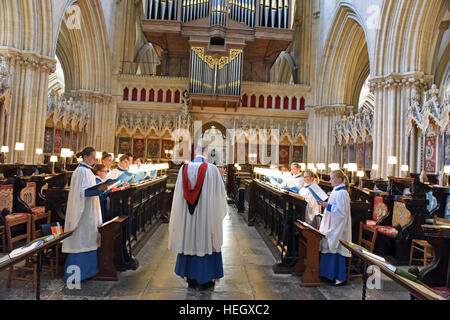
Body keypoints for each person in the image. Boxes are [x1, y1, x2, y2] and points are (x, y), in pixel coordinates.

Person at [168, 147, 227, 290]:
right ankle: (205, 279)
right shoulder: (212, 169)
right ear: (206, 154)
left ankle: (190, 278)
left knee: (188, 238)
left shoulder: (183, 169)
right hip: (206, 215)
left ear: (194, 153)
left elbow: (178, 196)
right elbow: (220, 193)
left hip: (188, 215)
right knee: (205, 240)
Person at [62, 147, 110, 282]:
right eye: (93, 156)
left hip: (89, 211)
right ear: (85, 157)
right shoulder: (80, 171)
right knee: (82, 241)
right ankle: (76, 276)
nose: (95, 159)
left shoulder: (87, 171)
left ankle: (89, 272)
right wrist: (98, 189)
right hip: (82, 214)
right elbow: (82, 193)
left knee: (89, 240)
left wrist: (101, 189)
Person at [318, 170, 352, 286]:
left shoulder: (342, 193)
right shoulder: (336, 191)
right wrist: (326, 206)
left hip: (339, 228)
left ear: (339, 179)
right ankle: (328, 275)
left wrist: (328, 206)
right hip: (333, 224)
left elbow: (341, 213)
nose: (330, 181)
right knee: (328, 245)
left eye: (332, 178)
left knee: (336, 247)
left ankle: (338, 277)